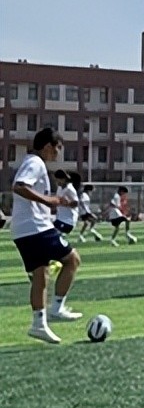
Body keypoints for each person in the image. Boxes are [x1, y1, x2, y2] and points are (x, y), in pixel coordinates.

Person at [10, 128, 83, 344]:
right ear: (48, 147)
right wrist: (47, 201)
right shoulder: (35, 162)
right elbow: (19, 187)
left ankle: (38, 324)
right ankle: (57, 308)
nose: (58, 154)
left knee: (41, 276)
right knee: (72, 260)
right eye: (57, 148)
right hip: (36, 228)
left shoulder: (31, 162)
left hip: (23, 230)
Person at [53, 170, 80, 237]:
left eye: (58, 180)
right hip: (60, 218)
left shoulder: (70, 189)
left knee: (53, 237)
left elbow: (76, 203)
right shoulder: (59, 188)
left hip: (68, 221)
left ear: (64, 179)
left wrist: (66, 203)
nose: (57, 182)